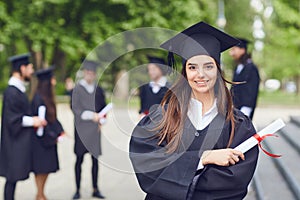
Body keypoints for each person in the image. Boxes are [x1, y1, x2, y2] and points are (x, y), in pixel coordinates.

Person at [130, 22, 259, 200]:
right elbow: (148, 165)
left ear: (218, 70)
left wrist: (177, 174)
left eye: (208, 66)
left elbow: (235, 182)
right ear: (185, 72)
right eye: (192, 67)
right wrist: (203, 158)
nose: (200, 74)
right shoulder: (161, 118)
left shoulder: (238, 125)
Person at [0, 53, 46, 200]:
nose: (31, 72)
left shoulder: (18, 89)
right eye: (29, 68)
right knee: (11, 179)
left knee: (13, 179)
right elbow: (11, 119)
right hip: (12, 143)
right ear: (22, 68)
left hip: (17, 141)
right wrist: (33, 121)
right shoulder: (12, 92)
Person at [71, 60, 106, 199]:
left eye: (92, 73)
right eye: (87, 72)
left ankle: (95, 188)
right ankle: (77, 189)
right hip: (81, 130)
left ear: (95, 74)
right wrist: (92, 116)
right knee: (79, 159)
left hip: (94, 131)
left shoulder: (99, 89)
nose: (90, 75)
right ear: (84, 73)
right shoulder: (78, 89)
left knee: (95, 160)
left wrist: (102, 119)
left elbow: (103, 108)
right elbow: (75, 108)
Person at [31, 67, 65, 200]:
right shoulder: (38, 98)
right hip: (40, 141)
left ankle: (41, 193)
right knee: (40, 168)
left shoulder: (48, 98)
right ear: (47, 82)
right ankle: (39, 194)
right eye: (52, 79)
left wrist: (60, 131)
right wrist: (53, 136)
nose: (54, 82)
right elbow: (41, 122)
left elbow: (52, 119)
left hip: (48, 140)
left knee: (46, 169)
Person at [229, 38, 260, 120]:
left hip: (244, 109)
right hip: (235, 108)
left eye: (234, 49)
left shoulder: (251, 68)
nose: (231, 53)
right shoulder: (238, 67)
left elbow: (251, 91)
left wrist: (246, 109)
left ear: (242, 50)